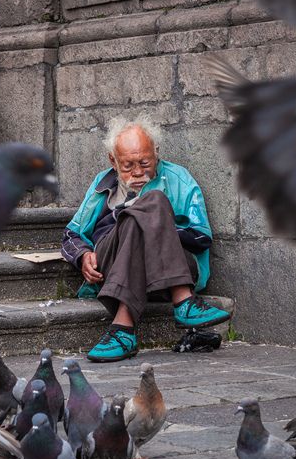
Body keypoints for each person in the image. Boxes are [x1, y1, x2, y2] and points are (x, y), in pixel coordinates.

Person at [61, 116, 232, 363]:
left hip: (172, 268)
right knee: (136, 215)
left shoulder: (178, 178)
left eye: (144, 162)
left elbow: (201, 237)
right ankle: (183, 301)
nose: (138, 172)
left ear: (156, 153)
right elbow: (70, 234)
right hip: (113, 264)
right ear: (113, 160)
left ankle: (123, 329)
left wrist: (157, 228)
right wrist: (83, 256)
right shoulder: (102, 183)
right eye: (128, 165)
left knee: (151, 203)